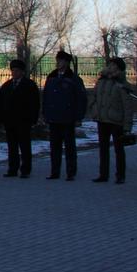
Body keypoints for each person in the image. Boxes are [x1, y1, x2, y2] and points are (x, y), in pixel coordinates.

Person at [42, 49, 87, 180]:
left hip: (68, 117)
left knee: (69, 146)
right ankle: (55, 171)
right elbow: (46, 97)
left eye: (61, 61)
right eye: (57, 60)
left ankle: (70, 172)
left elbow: (81, 99)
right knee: (54, 146)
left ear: (66, 63)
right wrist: (45, 113)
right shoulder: (51, 77)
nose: (58, 63)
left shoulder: (74, 79)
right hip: (53, 117)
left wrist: (79, 116)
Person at [88, 58, 133, 184]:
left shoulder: (121, 84)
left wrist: (127, 125)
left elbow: (127, 106)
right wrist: (94, 109)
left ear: (119, 68)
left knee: (119, 149)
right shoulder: (101, 81)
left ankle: (120, 175)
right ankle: (103, 174)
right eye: (110, 65)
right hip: (102, 119)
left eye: (113, 65)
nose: (110, 67)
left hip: (116, 120)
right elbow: (94, 97)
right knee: (103, 148)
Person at [0, 59, 40, 178]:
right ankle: (12, 168)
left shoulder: (30, 85)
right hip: (10, 121)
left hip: (24, 121)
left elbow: (35, 104)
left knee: (25, 146)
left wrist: (33, 119)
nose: (14, 73)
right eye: (13, 70)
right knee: (12, 146)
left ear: (22, 72)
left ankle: (25, 169)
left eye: (17, 71)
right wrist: (2, 118)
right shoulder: (6, 86)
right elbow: (1, 103)